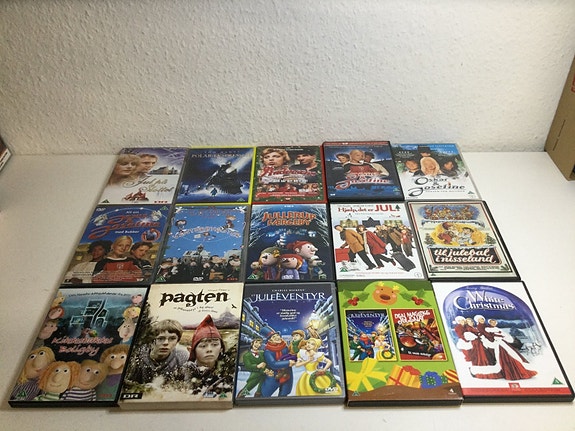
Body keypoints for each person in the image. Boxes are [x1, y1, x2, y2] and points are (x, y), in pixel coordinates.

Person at [124, 319, 189, 384]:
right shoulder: (138, 355)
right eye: (160, 338)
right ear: (151, 341)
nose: (166, 343)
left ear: (177, 341)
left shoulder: (181, 356)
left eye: (172, 338)